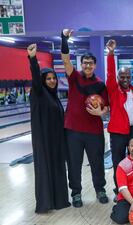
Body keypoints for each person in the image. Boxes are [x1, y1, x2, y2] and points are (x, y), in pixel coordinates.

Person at [61, 29, 109, 207]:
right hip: (73, 130)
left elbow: (106, 107)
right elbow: (65, 59)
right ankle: (76, 193)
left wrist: (101, 113)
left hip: (94, 131)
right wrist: (63, 38)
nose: (88, 66)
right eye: (85, 63)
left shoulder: (99, 84)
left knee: (97, 162)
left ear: (95, 65)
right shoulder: (74, 78)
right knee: (74, 163)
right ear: (81, 64)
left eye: (91, 63)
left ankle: (100, 189)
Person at [27, 43, 70, 213]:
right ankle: (46, 203)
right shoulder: (38, 93)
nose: (52, 81)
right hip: (44, 140)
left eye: (54, 78)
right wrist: (32, 58)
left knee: (58, 168)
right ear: (43, 81)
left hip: (56, 142)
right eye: (48, 78)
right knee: (45, 169)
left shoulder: (54, 97)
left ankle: (59, 200)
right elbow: (36, 78)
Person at [105, 39, 133, 197]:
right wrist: (111, 53)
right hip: (118, 132)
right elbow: (110, 72)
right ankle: (119, 190)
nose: (125, 79)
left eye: (128, 76)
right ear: (118, 78)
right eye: (122, 77)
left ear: (131, 77)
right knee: (118, 161)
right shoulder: (113, 89)